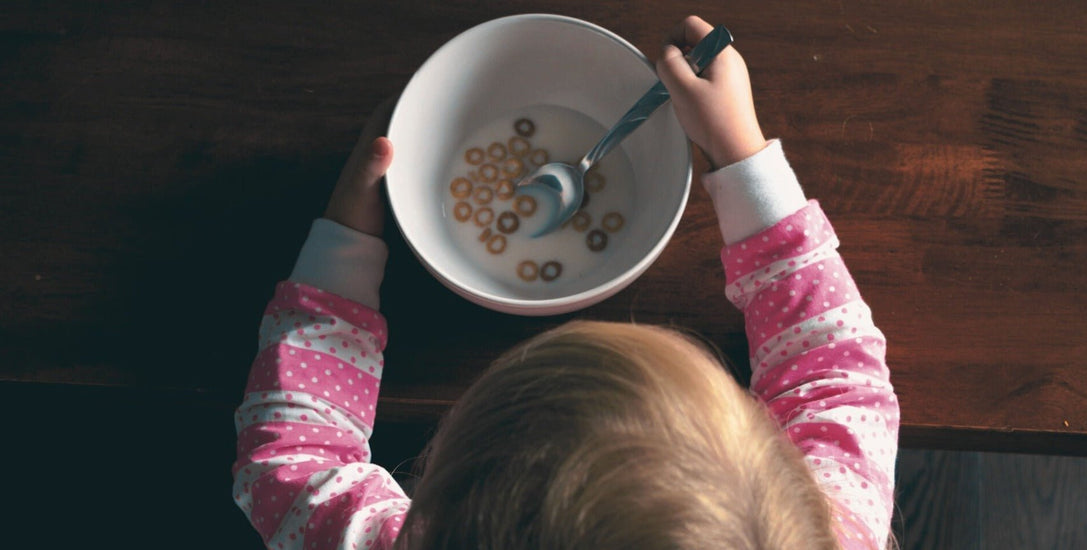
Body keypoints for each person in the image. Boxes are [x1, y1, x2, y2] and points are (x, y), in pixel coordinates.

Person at [232, 15, 899, 550]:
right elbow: (835, 375)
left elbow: (293, 458)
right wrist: (743, 154)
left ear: (438, 493)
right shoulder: (822, 529)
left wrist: (345, 244)